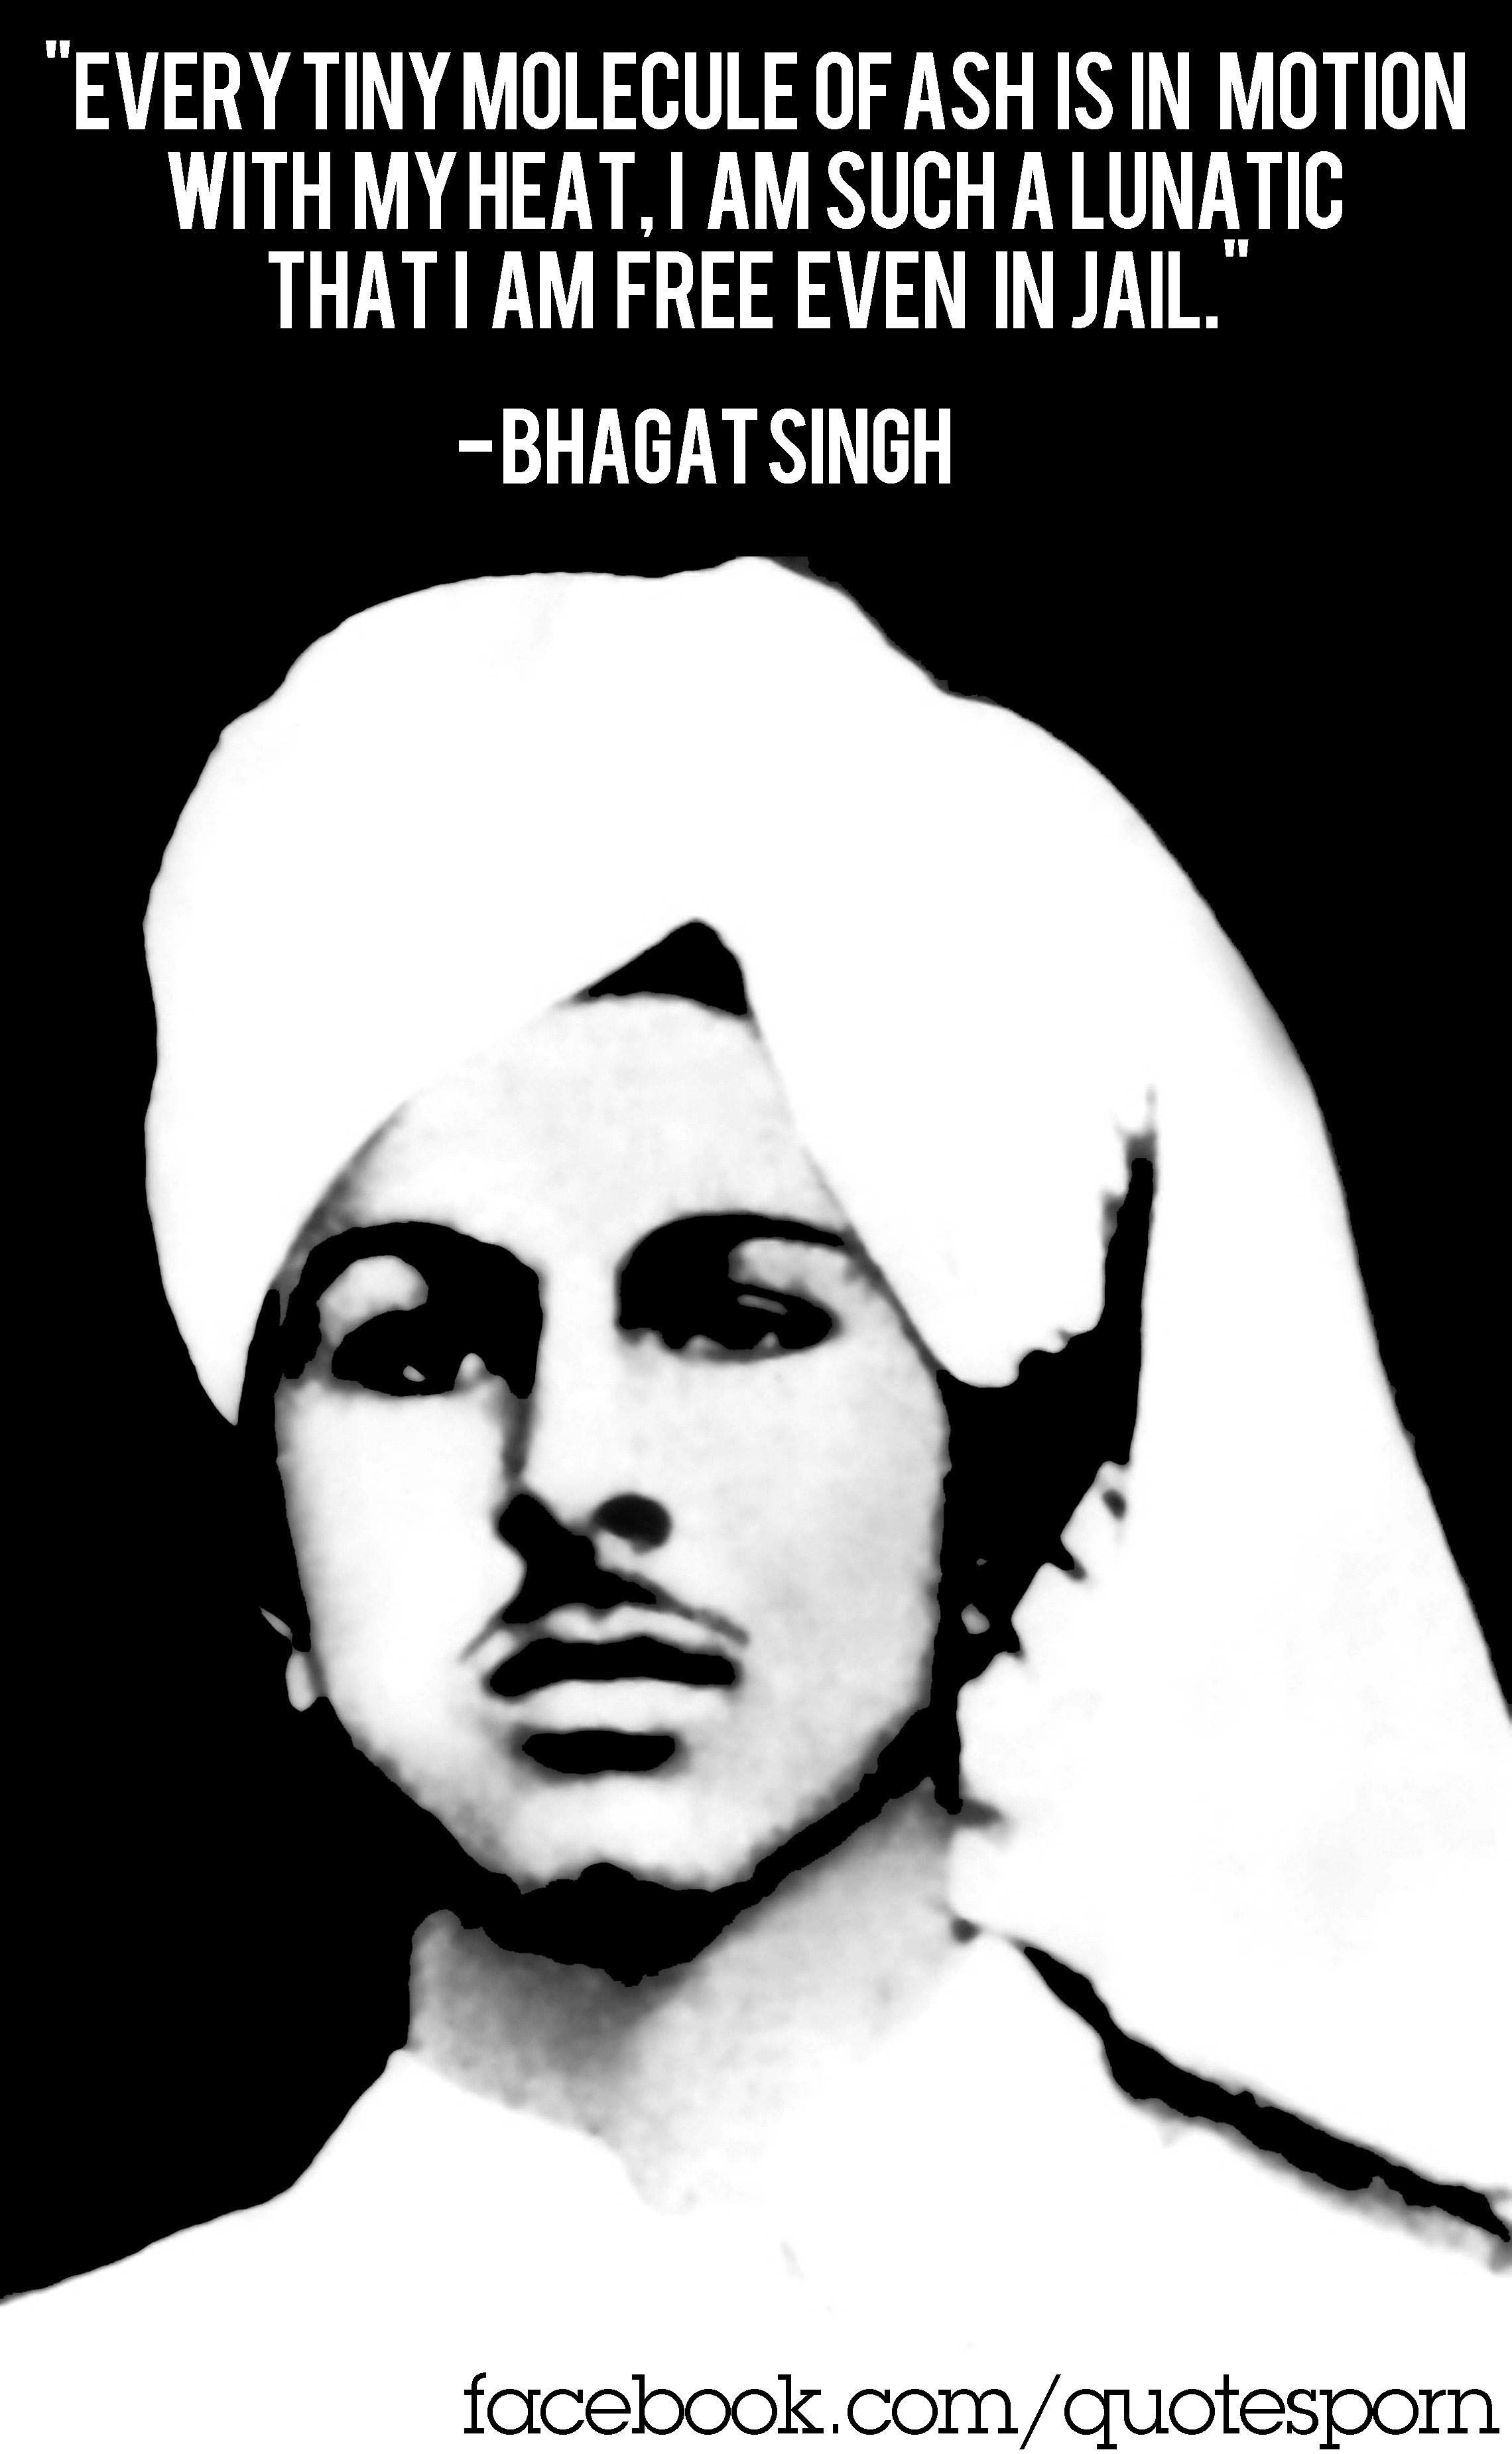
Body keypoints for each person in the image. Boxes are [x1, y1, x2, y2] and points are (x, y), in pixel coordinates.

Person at [4, 562, 1507, 2449]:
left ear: (1006, 1493)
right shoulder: (85, 2403)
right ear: (271, 1559)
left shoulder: (1410, 2367)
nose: (573, 1477)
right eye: (418, 1348)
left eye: (735, 1318)